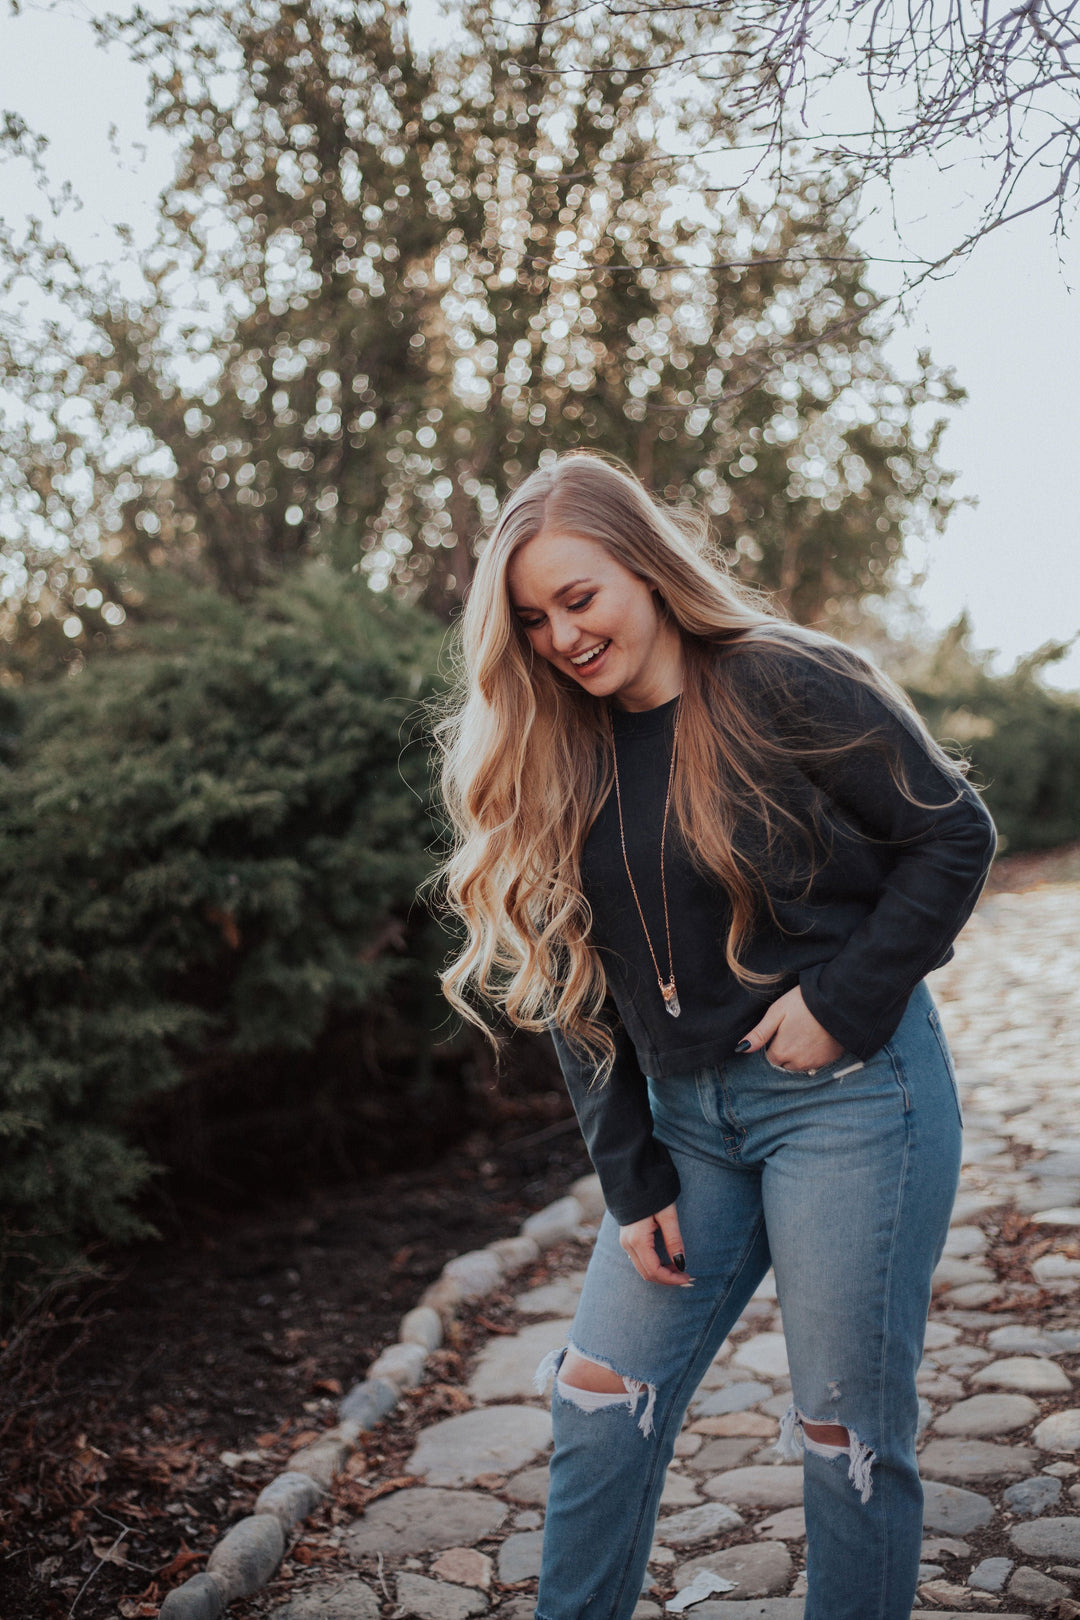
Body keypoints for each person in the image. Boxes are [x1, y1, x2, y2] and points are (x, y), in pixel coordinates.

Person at [436, 451, 996, 1620]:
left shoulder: (784, 682)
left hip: (851, 1105)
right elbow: (570, 987)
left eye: (579, 599)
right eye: (534, 620)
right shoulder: (560, 747)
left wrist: (845, 1000)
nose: (563, 638)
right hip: (688, 1128)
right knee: (596, 1394)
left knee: (845, 1436)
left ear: (643, 565)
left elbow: (953, 836)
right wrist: (630, 1177)